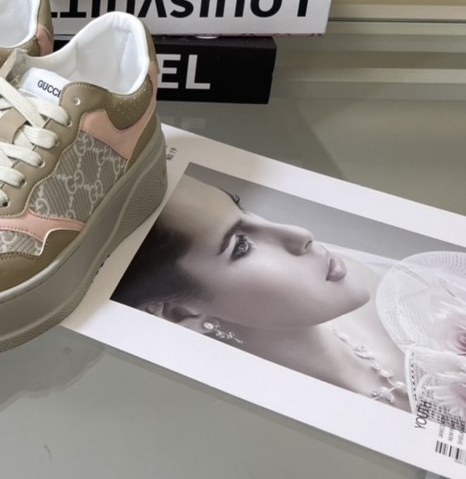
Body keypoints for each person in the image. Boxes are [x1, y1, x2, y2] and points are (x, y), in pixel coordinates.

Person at [113, 175, 410, 409]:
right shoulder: (286, 421)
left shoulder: (388, 291)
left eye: (243, 208)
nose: (301, 234)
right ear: (181, 312)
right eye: (241, 245)